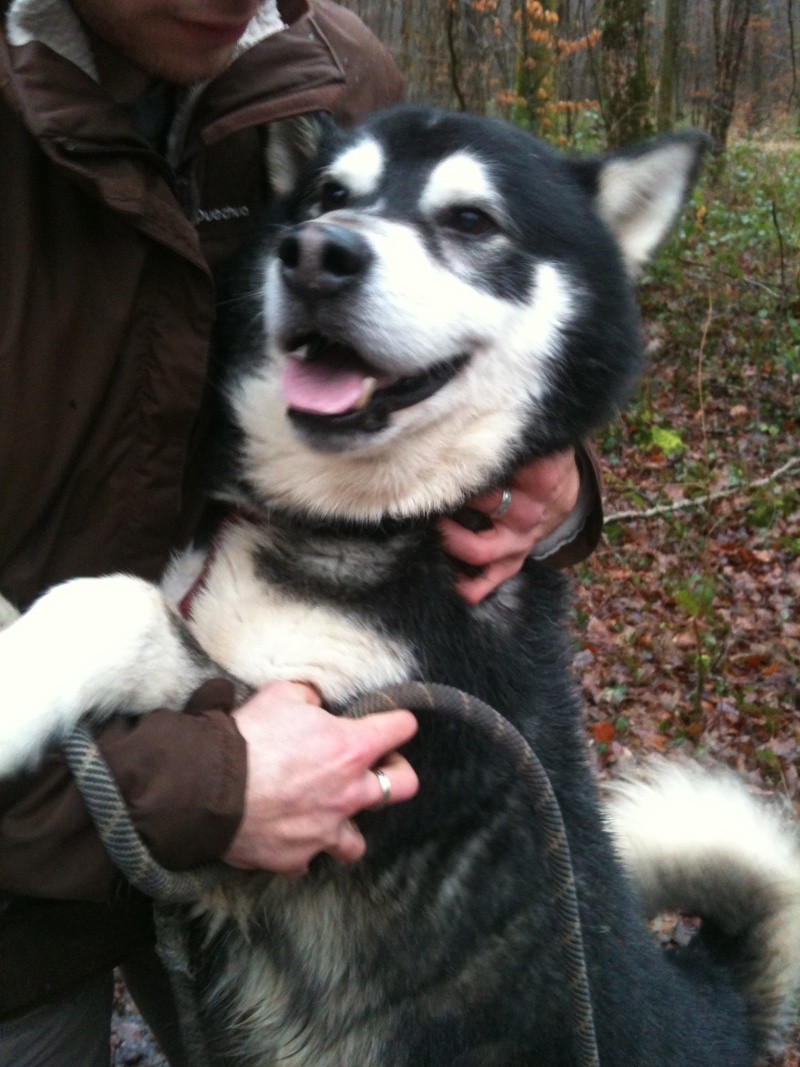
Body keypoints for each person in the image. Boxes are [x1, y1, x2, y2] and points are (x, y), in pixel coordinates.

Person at [0, 1, 602, 1063]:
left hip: (265, 845)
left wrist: (539, 463)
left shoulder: (320, 71)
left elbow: (425, 320)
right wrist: (200, 788)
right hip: (34, 871)